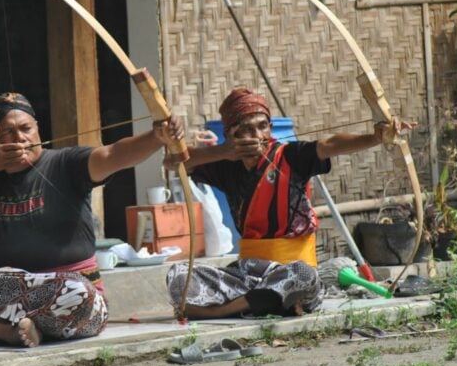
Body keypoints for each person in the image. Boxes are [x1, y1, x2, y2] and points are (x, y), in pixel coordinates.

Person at [0, 92, 183, 350]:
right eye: (8, 132)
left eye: (26, 129)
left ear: (37, 129)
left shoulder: (67, 163)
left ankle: (6, 328)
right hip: (7, 295)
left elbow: (114, 154)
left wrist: (157, 137)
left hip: (68, 291)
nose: (20, 138)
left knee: (78, 294)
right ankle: (9, 331)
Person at [165, 88, 416, 319]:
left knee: (303, 274)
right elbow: (174, 162)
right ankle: (261, 302)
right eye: (248, 130)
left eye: (263, 127)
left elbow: (330, 145)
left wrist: (375, 137)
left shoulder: (290, 156)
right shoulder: (226, 165)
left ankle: (221, 312)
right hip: (249, 275)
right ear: (232, 135)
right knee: (179, 276)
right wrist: (223, 152)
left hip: (293, 277)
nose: (258, 136)